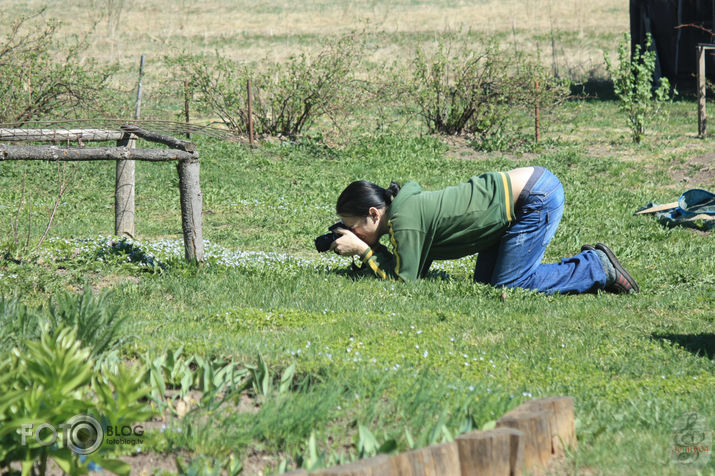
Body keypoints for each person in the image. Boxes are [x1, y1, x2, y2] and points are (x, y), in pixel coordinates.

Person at [329, 166, 639, 294]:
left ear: (373, 213)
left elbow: (404, 279)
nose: (353, 233)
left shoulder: (404, 220)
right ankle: (593, 266)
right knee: (486, 283)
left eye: (353, 227)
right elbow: (412, 265)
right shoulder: (402, 212)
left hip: (534, 199)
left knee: (512, 285)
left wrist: (364, 250)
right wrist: (372, 252)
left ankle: (596, 266)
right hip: (520, 197)